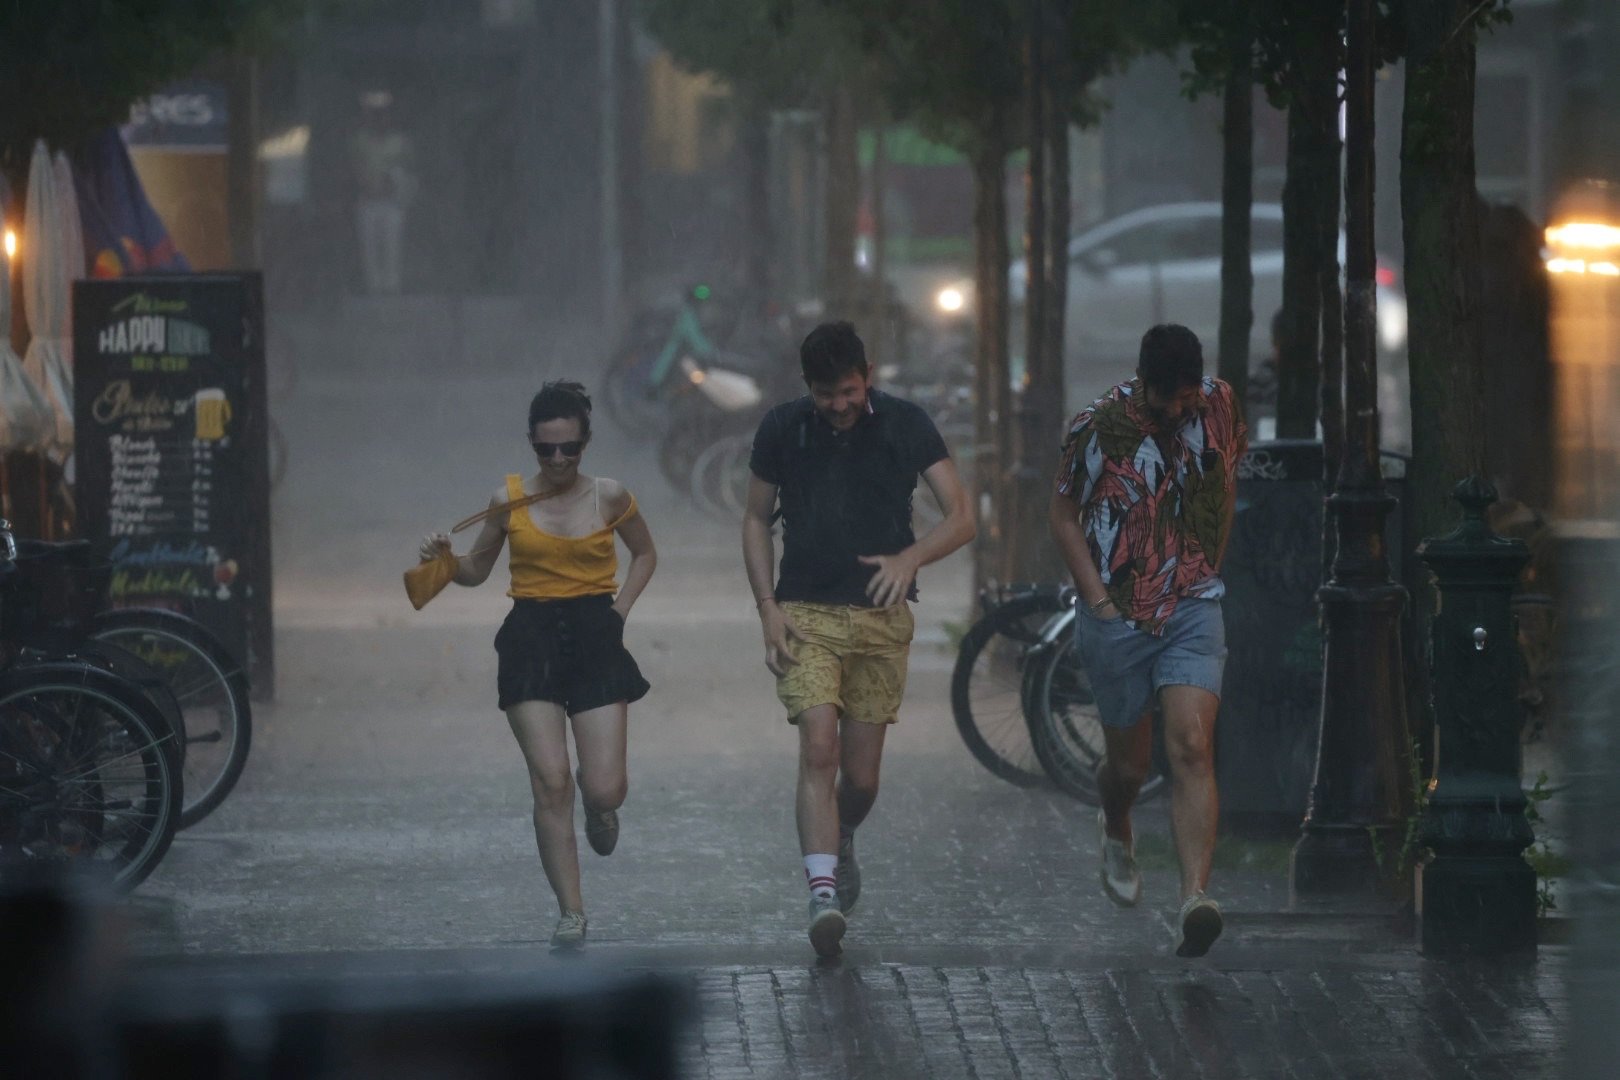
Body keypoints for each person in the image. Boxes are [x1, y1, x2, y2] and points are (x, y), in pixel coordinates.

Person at [742, 321, 975, 958]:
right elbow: (757, 517)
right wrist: (766, 606)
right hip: (805, 613)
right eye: (825, 394)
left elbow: (963, 515)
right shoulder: (781, 428)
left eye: (847, 391)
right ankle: (821, 894)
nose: (839, 406)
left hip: (880, 618)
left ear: (867, 376)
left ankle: (841, 838)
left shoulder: (906, 423)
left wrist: (911, 559)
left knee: (862, 780)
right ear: (807, 387)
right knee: (818, 747)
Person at [418, 381, 656, 949]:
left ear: (586, 442)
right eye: (545, 449)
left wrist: (619, 611)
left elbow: (645, 552)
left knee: (604, 788)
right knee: (549, 781)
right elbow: (478, 571)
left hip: (597, 634)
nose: (557, 460)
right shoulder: (508, 500)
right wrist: (445, 563)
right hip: (530, 636)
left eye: (568, 448)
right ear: (531, 442)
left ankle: (600, 808)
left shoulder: (610, 495)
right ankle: (571, 911)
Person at [1047, 324, 1248, 958]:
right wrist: (1100, 602)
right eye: (1170, 401)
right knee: (1129, 767)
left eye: (1189, 397)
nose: (1181, 410)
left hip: (1194, 605)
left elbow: (1228, 471)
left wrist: (1211, 557)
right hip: (1119, 616)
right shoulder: (1097, 426)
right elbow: (1062, 515)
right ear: (1144, 384)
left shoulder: (1219, 402)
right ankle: (1116, 824)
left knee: (1191, 744)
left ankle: (1194, 899)